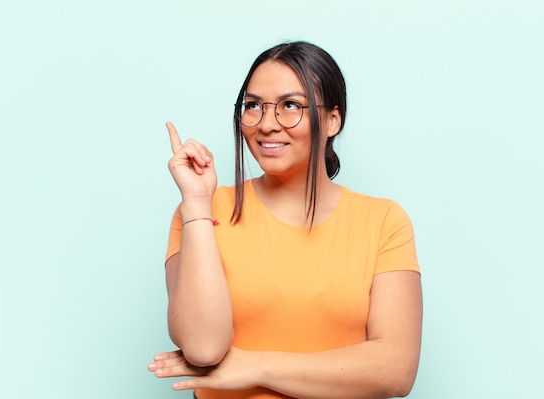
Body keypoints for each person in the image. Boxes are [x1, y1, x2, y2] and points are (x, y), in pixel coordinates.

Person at [147, 41, 422, 399]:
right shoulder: (201, 211)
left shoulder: (383, 221)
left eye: (290, 105)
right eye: (253, 106)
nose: (266, 124)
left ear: (333, 119)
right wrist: (197, 203)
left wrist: (255, 366)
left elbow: (395, 369)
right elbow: (202, 348)